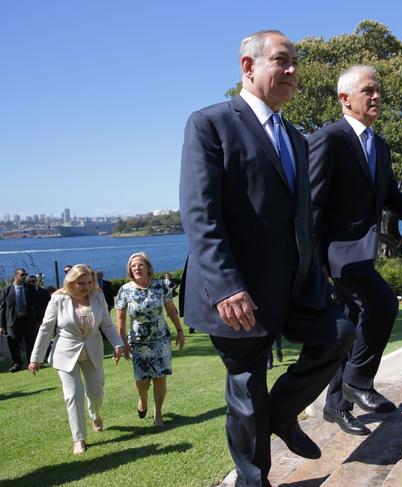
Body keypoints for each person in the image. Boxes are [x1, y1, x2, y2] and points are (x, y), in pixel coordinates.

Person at [179, 30, 355, 487]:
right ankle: (253, 480)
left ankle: (281, 413)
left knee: (339, 332)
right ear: (248, 66)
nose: (293, 71)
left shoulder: (296, 138)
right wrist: (225, 286)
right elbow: (201, 214)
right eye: (282, 61)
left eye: (296, 63)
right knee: (246, 389)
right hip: (235, 291)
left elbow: (300, 217)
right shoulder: (211, 123)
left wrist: (314, 269)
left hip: (293, 284)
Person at [309, 65, 402, 436]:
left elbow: (393, 197)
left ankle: (335, 405)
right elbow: (309, 205)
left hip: (361, 254)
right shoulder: (329, 138)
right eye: (367, 90)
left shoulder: (380, 145)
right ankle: (357, 381)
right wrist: (315, 263)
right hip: (336, 257)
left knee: (349, 329)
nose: (376, 97)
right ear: (345, 99)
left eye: (378, 91)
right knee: (384, 304)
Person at [28, 264, 124, 454]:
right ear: (71, 282)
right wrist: (35, 358)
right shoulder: (58, 299)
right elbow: (46, 329)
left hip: (93, 351)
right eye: (81, 283)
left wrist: (118, 344)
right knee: (73, 395)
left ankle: (95, 414)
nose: (86, 286)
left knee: (96, 392)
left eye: (89, 282)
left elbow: (107, 323)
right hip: (65, 352)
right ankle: (79, 438)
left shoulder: (98, 296)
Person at [115, 252, 185, 428]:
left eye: (140, 265)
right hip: (138, 341)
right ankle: (142, 400)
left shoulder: (160, 286)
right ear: (130, 270)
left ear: (148, 267)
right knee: (142, 380)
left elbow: (170, 310)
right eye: (133, 266)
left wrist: (180, 330)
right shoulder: (125, 290)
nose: (137, 268)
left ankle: (158, 415)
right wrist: (122, 343)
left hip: (161, 339)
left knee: (160, 378)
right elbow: (121, 319)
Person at [0, 268, 38, 372]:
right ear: (16, 275)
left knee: (29, 343)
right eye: (22, 274)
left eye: (25, 274)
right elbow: (2, 309)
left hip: (27, 320)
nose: (24, 276)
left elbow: (36, 305)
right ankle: (16, 364)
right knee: (13, 344)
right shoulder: (7, 290)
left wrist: (39, 320)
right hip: (13, 321)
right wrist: (1, 326)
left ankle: (32, 363)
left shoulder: (30, 289)